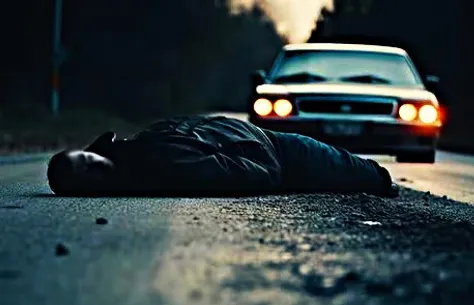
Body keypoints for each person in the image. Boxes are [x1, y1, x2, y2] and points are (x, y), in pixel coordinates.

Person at [46, 115, 399, 198]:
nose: (90, 160)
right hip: (283, 156)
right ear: (89, 183)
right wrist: (267, 162)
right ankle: (386, 185)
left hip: (266, 139)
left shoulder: (130, 149)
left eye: (83, 157)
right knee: (369, 177)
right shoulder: (159, 170)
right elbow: (245, 175)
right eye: (84, 169)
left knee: (358, 169)